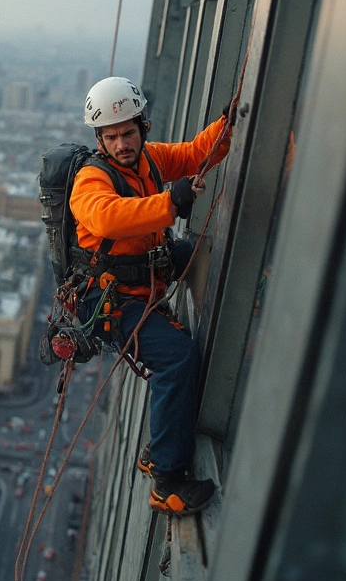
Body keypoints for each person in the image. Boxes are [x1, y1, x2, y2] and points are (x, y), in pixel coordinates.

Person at [69, 76, 233, 514]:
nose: (122, 143)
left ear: (142, 127)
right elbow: (106, 219)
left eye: (128, 132)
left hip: (146, 275)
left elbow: (197, 153)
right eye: (112, 136)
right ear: (100, 140)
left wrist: (231, 123)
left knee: (201, 249)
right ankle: (167, 481)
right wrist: (169, 202)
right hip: (112, 301)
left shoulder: (150, 160)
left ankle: (158, 447)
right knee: (177, 357)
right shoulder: (91, 180)